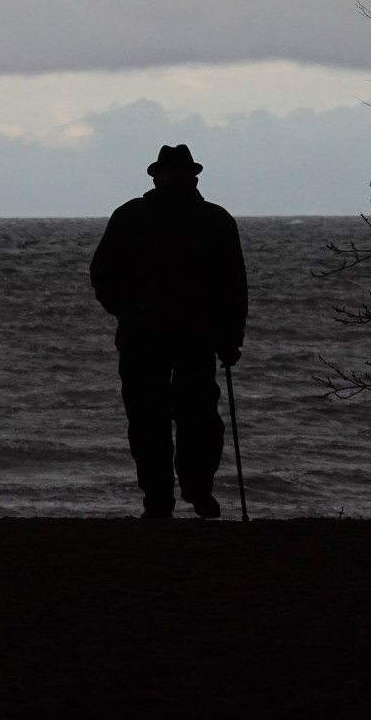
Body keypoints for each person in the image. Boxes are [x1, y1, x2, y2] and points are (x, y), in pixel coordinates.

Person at [90, 144, 248, 519]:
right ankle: (163, 497)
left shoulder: (211, 220)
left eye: (180, 174)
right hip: (155, 336)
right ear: (158, 177)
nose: (176, 180)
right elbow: (102, 273)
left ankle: (189, 491)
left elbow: (233, 285)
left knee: (191, 420)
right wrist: (126, 311)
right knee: (154, 421)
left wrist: (230, 337)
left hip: (184, 337)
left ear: (192, 177)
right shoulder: (139, 217)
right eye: (171, 174)